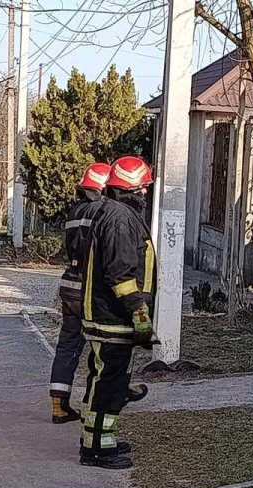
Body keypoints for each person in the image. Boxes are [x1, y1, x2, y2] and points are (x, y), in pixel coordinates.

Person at [77, 156, 157, 469]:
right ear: (134, 188)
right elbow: (121, 275)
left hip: (107, 317)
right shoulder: (122, 219)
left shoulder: (115, 214)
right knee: (109, 384)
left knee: (102, 380)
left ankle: (98, 438)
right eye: (144, 188)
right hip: (113, 319)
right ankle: (97, 448)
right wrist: (139, 312)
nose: (146, 193)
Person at [48, 163, 111, 424]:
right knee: (103, 347)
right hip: (91, 288)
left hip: (70, 284)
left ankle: (58, 405)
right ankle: (96, 402)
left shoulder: (76, 211)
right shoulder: (106, 212)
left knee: (68, 345)